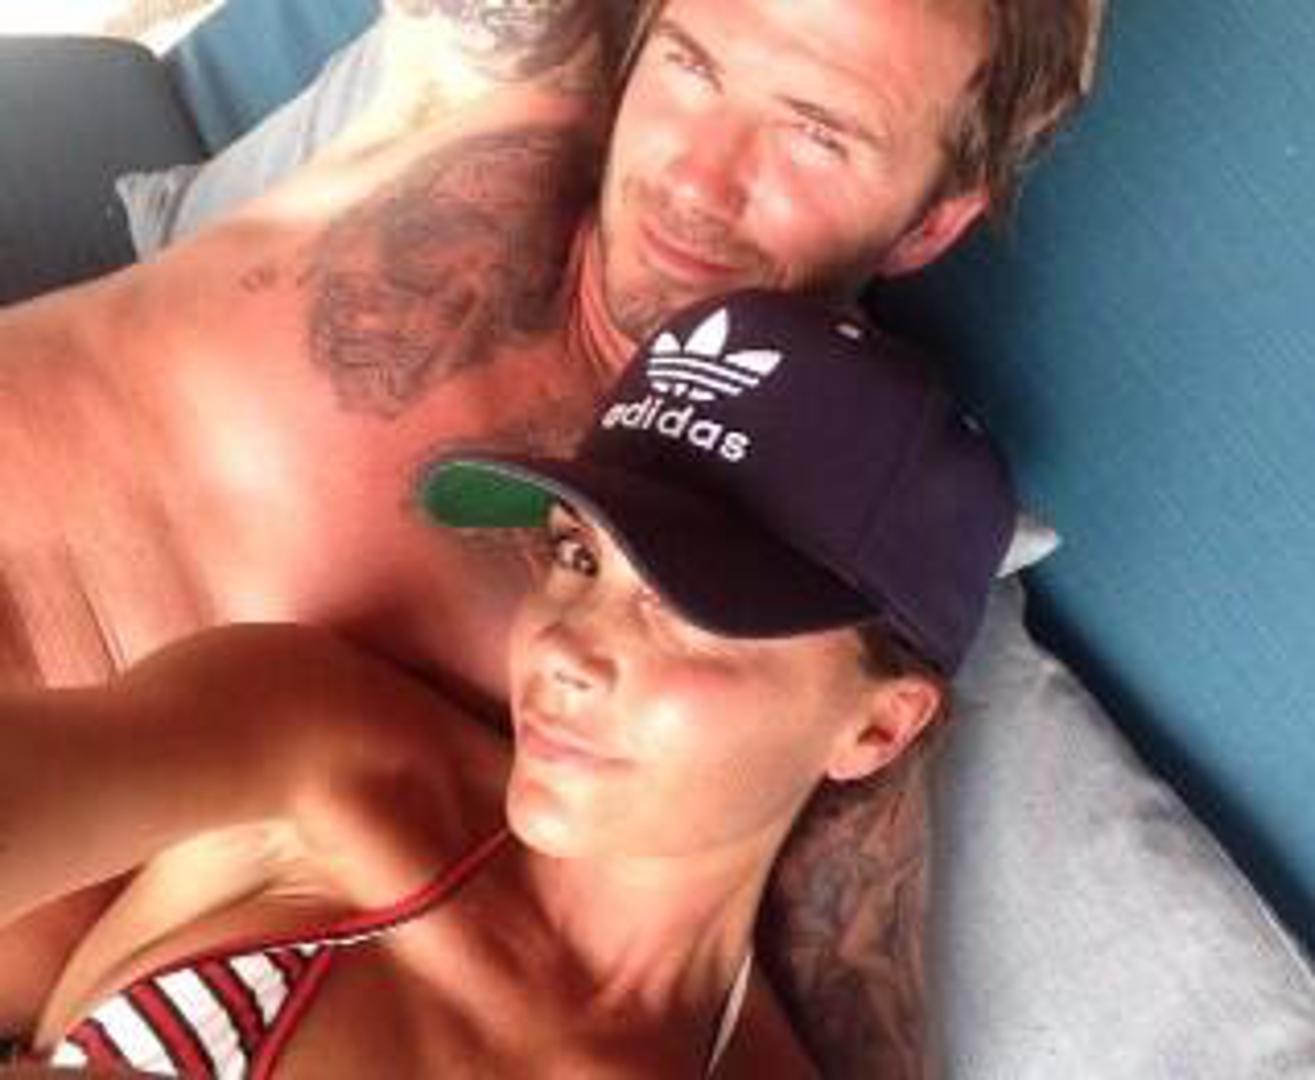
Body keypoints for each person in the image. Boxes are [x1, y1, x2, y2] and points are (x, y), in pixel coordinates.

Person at [0, 0, 1104, 1068]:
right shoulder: (514, 89)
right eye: (691, 65)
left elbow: (798, 975)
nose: (695, 176)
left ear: (931, 221)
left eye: (816, 134)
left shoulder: (839, 559)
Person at [0, 290, 1016, 1077]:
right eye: (577, 558)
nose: (565, 648)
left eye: (687, 601)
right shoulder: (324, 760)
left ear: (878, 729)